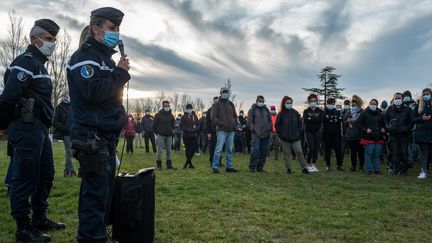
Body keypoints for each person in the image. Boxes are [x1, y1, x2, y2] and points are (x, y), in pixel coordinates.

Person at [67, 7, 130, 242]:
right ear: (96, 29)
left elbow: (109, 97)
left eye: (118, 28)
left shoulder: (105, 60)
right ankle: (91, 237)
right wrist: (120, 75)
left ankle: (97, 234)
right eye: (111, 28)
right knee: (95, 195)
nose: (116, 33)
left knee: (104, 193)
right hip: (91, 138)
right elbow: (93, 92)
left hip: (105, 137)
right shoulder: (84, 58)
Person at [0, 19, 65, 242]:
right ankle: (23, 228)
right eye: (48, 39)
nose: (52, 43)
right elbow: (8, 97)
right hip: (26, 126)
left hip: (39, 129)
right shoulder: (25, 62)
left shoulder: (39, 66)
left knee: (45, 175)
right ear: (34, 39)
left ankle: (40, 218)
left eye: (54, 39)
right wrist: (7, 124)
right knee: (25, 178)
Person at [275, 96, 309, 175]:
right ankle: (289, 169)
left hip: (295, 138)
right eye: (287, 103)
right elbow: (277, 125)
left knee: (299, 152)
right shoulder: (281, 114)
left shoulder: (295, 113)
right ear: (284, 103)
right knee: (286, 154)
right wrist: (282, 134)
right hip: (285, 138)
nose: (289, 104)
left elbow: (300, 123)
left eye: (290, 103)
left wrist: (298, 132)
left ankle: (304, 168)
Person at [383, 92, 412, 176]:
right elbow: (384, 119)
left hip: (404, 135)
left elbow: (411, 121)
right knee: (395, 153)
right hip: (393, 135)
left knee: (404, 153)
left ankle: (404, 170)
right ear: (393, 99)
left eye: (399, 98)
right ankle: (397, 170)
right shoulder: (389, 109)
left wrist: (406, 129)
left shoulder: (408, 109)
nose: (397, 100)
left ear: (402, 99)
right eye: (396, 98)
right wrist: (388, 128)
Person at [211, 87, 238, 173]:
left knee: (229, 149)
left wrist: (234, 123)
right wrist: (221, 124)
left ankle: (229, 167)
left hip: (231, 130)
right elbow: (213, 117)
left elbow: (235, 115)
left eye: (227, 92)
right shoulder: (216, 104)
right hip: (221, 130)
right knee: (218, 149)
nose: (225, 93)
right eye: (224, 92)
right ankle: (215, 166)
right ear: (221, 93)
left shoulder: (231, 104)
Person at [357, 99, 386, 175]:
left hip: (378, 137)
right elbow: (358, 123)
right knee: (369, 153)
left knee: (377, 154)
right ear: (369, 104)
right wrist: (365, 129)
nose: (373, 105)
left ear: (377, 105)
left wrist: (383, 128)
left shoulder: (380, 113)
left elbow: (384, 123)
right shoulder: (364, 113)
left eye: (374, 104)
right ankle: (369, 169)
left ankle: (377, 169)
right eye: (371, 103)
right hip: (368, 137)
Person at [53, 91, 76, 176]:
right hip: (67, 133)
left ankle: (66, 170)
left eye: (68, 95)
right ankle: (72, 171)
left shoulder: (74, 105)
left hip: (75, 133)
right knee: (69, 152)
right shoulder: (59, 107)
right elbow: (55, 121)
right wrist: (64, 128)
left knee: (73, 152)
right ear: (63, 96)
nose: (67, 96)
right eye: (65, 95)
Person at [247, 95, 272, 172]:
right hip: (256, 134)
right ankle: (252, 167)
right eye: (260, 101)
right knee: (255, 150)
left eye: (262, 101)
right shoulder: (252, 110)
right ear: (256, 101)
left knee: (263, 151)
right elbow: (249, 121)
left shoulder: (266, 110)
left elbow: (270, 120)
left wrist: (269, 129)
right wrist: (253, 130)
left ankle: (260, 167)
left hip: (266, 134)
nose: (261, 102)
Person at [412, 88, 432, 179]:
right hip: (421, 134)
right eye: (424, 94)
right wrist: (421, 118)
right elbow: (413, 119)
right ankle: (423, 172)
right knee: (424, 153)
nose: (425, 96)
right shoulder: (418, 105)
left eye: (427, 94)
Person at [303, 94, 325, 172]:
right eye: (311, 101)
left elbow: (321, 119)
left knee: (316, 148)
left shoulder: (320, 111)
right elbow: (305, 120)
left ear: (316, 102)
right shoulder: (306, 111)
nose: (313, 102)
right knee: (311, 148)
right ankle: (308, 164)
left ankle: (314, 165)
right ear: (309, 102)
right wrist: (315, 119)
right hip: (309, 132)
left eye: (314, 101)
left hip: (317, 131)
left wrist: (311, 119)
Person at [322, 98, 344, 171]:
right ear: (327, 103)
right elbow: (324, 119)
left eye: (332, 103)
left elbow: (340, 119)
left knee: (338, 150)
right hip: (327, 134)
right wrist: (333, 118)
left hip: (337, 134)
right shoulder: (323, 112)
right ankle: (328, 165)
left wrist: (330, 118)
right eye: (329, 103)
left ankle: (339, 165)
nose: (331, 104)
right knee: (327, 150)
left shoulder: (337, 111)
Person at [344, 95, 365, 171]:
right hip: (350, 135)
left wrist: (356, 120)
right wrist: (348, 121)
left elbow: (364, 122)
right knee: (352, 152)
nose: (353, 106)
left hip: (359, 135)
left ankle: (361, 166)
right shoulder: (348, 112)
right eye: (352, 105)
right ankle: (353, 166)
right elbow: (344, 122)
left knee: (360, 151)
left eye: (355, 105)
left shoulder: (362, 112)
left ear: (358, 105)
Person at [153, 100, 176, 170]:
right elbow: (154, 125)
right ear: (163, 106)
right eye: (166, 106)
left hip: (169, 135)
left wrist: (170, 130)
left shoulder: (171, 116)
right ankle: (159, 165)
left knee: (169, 151)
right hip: (161, 135)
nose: (167, 107)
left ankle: (169, 165)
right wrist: (157, 134)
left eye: (168, 106)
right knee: (159, 150)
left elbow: (173, 125)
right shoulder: (158, 115)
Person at [180, 104, 199, 169]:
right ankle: (190, 164)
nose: (189, 109)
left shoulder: (195, 116)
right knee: (187, 149)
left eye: (190, 108)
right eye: (188, 108)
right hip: (186, 135)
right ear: (186, 109)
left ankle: (187, 162)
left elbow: (198, 125)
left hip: (193, 135)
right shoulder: (183, 117)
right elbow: (181, 126)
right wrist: (187, 129)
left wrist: (195, 129)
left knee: (193, 149)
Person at [206, 96, 220, 166]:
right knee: (212, 147)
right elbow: (207, 122)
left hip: (220, 131)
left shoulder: (221, 110)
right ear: (213, 102)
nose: (216, 103)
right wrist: (208, 133)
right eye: (215, 101)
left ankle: (219, 161)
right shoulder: (209, 110)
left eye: (218, 101)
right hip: (212, 131)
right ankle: (212, 161)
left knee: (219, 147)